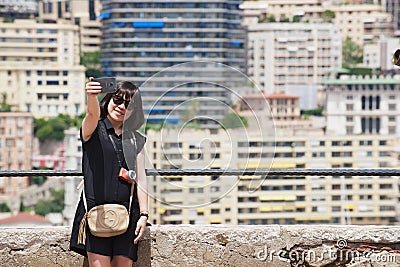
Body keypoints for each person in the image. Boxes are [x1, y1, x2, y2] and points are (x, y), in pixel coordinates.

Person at [70, 77, 148, 267]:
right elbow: (91, 114)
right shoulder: (94, 129)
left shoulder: (136, 140)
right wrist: (91, 96)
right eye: (118, 100)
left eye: (129, 105)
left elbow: (142, 181)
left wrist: (144, 215)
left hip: (128, 213)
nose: (122, 107)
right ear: (109, 100)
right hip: (96, 211)